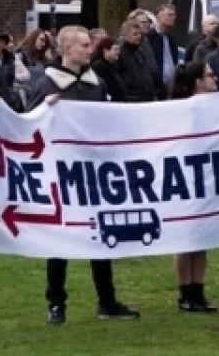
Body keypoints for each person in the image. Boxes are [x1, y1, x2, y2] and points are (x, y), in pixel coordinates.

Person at [28, 26, 139, 324]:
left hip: (93, 171)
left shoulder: (96, 84)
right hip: (60, 171)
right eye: (84, 45)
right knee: (59, 240)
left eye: (89, 45)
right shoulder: (48, 84)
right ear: (67, 49)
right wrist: (44, 108)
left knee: (101, 235)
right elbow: (28, 124)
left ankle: (107, 300)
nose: (90, 49)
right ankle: (56, 303)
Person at [169, 62, 219, 312]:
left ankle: (198, 291)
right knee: (185, 237)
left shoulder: (216, 107)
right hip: (184, 178)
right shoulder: (179, 109)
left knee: (202, 236)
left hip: (206, 176)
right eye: (210, 76)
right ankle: (185, 293)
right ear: (198, 82)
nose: (215, 79)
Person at [117, 19, 160, 103]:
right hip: (132, 100)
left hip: (146, 99)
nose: (139, 37)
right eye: (135, 34)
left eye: (140, 34)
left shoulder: (140, 52)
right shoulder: (120, 54)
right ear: (125, 35)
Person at [148, 4, 180, 95]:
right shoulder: (150, 38)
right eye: (169, 15)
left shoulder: (171, 39)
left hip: (171, 86)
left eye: (174, 15)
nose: (173, 18)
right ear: (159, 16)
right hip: (156, 87)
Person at [90, 37, 128, 103]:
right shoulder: (98, 67)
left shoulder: (113, 65)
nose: (118, 52)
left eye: (119, 49)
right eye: (115, 49)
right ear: (105, 51)